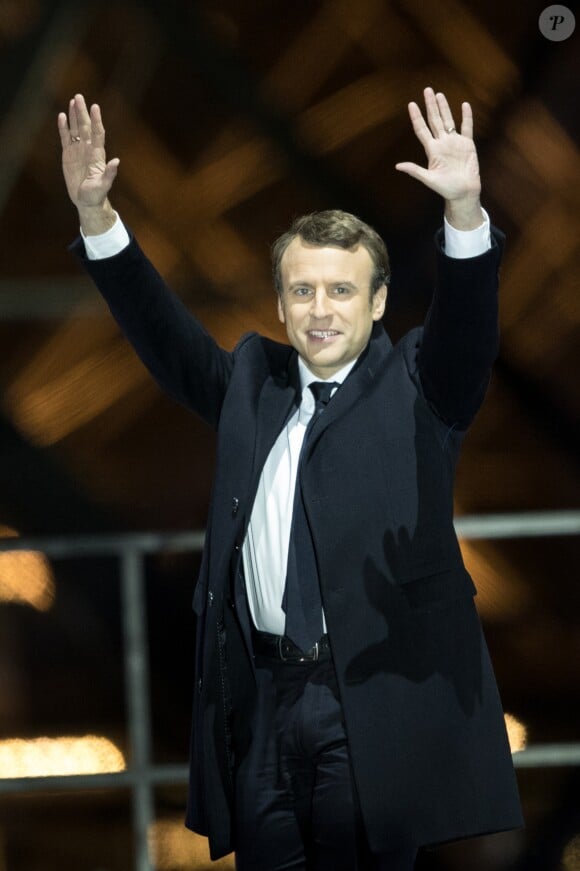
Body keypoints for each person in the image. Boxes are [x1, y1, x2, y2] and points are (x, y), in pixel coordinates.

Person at [58, 88, 523, 870]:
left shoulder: (420, 383)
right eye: (302, 290)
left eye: (341, 290)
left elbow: (469, 329)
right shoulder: (253, 381)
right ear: (279, 303)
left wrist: (467, 214)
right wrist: (98, 220)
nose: (320, 310)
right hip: (263, 699)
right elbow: (167, 339)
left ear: (377, 302)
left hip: (371, 701)